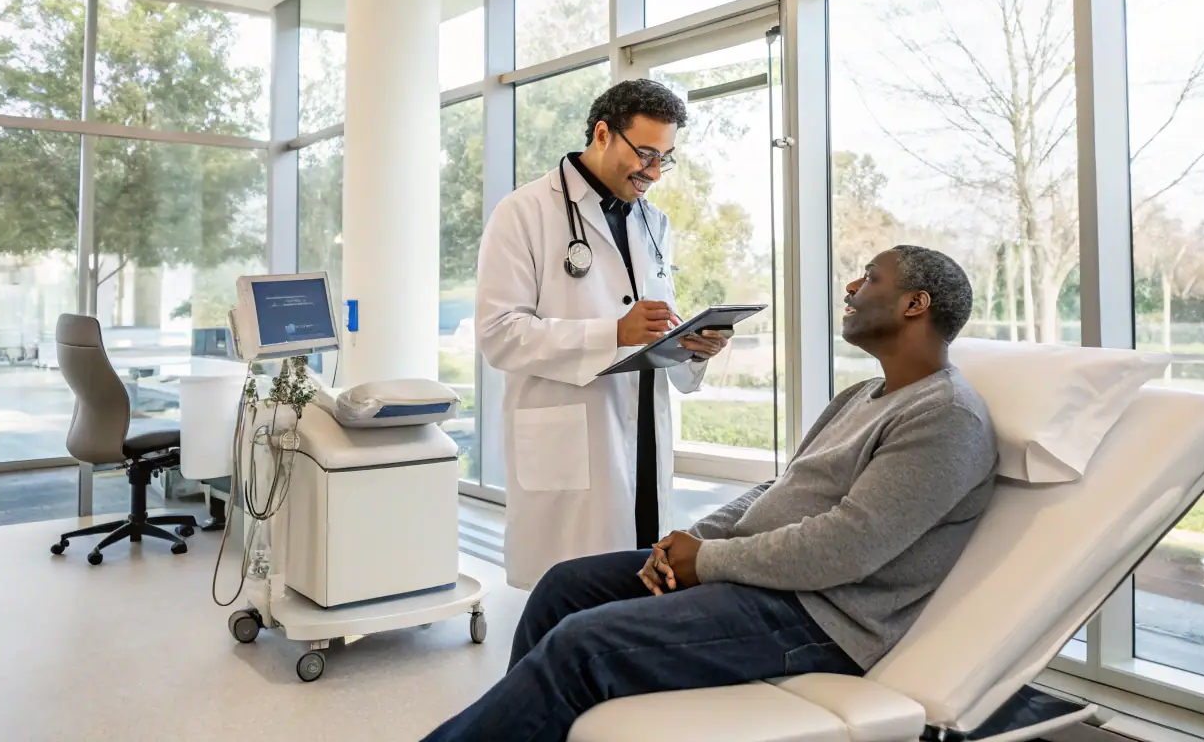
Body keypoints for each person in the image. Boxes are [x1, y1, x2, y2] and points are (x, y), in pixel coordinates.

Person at [424, 246, 998, 742]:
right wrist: (689, 543)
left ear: (914, 304)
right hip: (763, 580)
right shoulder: (863, 394)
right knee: (564, 587)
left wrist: (710, 562)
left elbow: (848, 546)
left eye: (870, 277)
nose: (851, 286)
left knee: (583, 644)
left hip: (819, 618)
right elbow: (782, 489)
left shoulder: (944, 416)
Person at [475, 79, 731, 592]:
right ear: (601, 133)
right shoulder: (523, 212)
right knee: (568, 594)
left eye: (666, 159)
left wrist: (692, 347)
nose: (654, 173)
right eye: (645, 154)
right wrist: (612, 332)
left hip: (640, 435)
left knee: (636, 583)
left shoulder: (653, 223)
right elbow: (499, 334)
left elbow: (653, 326)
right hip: (572, 437)